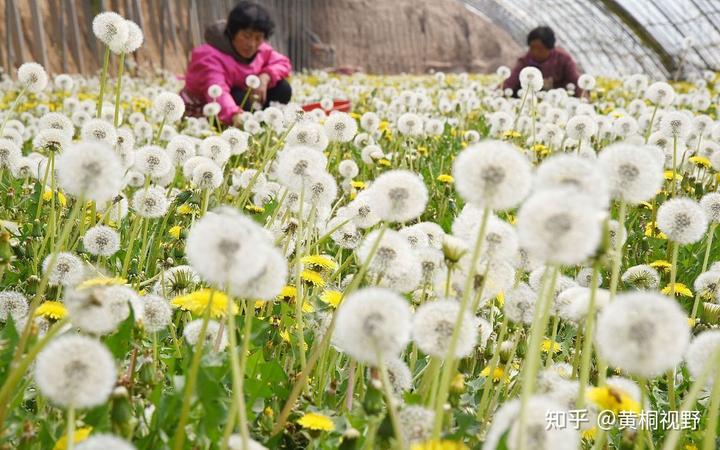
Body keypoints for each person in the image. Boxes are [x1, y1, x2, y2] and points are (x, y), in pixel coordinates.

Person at [181, 1, 292, 126]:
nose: (251, 44)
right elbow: (217, 91)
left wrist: (266, 76)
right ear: (232, 32)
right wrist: (235, 116)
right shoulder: (209, 56)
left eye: (258, 37)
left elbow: (282, 63)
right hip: (207, 110)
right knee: (239, 97)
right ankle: (251, 126)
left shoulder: (261, 50)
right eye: (246, 36)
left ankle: (267, 125)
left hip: (242, 104)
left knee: (282, 88)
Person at [502, 26, 581, 96]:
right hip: (530, 100)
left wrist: (584, 100)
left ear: (550, 48)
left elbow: (577, 82)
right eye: (532, 48)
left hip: (560, 100)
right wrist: (498, 93)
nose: (535, 52)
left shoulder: (563, 59)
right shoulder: (525, 61)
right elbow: (510, 83)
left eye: (540, 49)